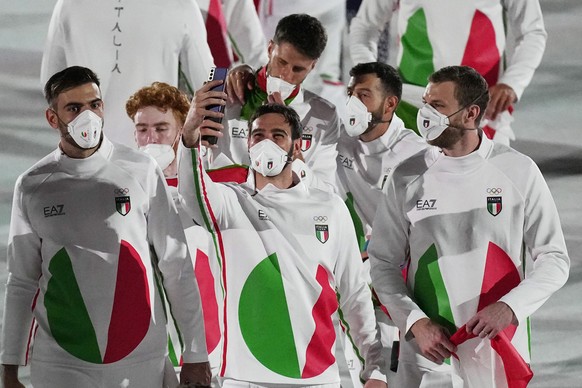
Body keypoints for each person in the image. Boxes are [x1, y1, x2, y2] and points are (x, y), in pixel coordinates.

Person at [0, 66, 210, 388]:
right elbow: (22, 282)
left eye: (94, 105)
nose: (88, 116)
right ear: (52, 118)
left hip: (142, 360)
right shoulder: (32, 186)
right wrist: (9, 366)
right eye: (74, 108)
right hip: (60, 365)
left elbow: (176, 265)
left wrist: (196, 355)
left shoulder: (141, 170)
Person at [368, 65, 570, 387]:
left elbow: (555, 259)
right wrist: (416, 323)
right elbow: (382, 263)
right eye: (425, 103)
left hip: (499, 348)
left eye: (437, 106)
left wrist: (510, 307)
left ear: (471, 113)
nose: (425, 114)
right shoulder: (406, 177)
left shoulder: (518, 172)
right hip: (428, 355)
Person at [178, 80, 388, 387]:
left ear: (298, 145)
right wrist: (190, 134)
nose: (267, 143)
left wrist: (376, 369)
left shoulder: (329, 207)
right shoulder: (230, 200)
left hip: (318, 377)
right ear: (248, 144)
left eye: (278, 135)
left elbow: (354, 294)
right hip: (244, 377)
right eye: (258, 135)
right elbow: (192, 194)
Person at [336, 61, 429, 385]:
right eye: (350, 94)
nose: (352, 104)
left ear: (390, 103)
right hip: (359, 264)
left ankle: (380, 372)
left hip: (400, 267)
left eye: (363, 95)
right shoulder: (338, 141)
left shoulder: (417, 155)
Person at [125, 81, 224, 381]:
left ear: (182, 131)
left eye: (161, 128)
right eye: (142, 129)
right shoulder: (121, 193)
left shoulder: (210, 189)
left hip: (210, 343)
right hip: (149, 346)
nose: (150, 138)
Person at [349, 0, 547, 145]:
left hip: (481, 110)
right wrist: (369, 75)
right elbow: (365, 26)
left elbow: (533, 32)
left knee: (484, 195)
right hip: (413, 108)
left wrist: (512, 83)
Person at [41, 0, 214, 148]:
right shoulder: (181, 4)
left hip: (86, 149)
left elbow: (49, 83)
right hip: (155, 150)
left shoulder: (69, 4)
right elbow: (208, 84)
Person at [210, 13, 340, 191]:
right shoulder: (226, 91)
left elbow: (324, 190)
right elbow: (201, 164)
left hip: (285, 215)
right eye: (282, 62)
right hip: (227, 209)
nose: (286, 74)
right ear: (270, 49)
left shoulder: (324, 115)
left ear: (313, 66)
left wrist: (288, 134)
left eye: (298, 69)